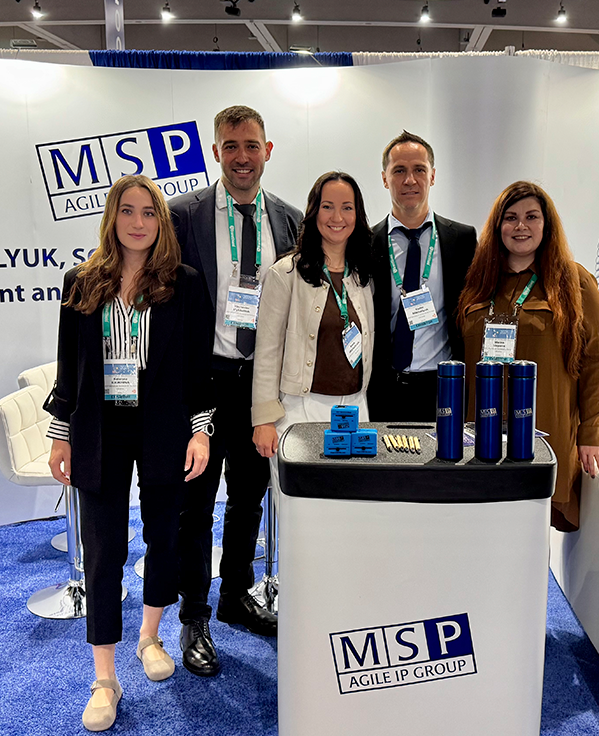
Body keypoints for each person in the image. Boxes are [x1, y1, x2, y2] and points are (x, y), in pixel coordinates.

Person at [44, 174, 214, 731]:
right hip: (100, 428)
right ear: (111, 218)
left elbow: (197, 370)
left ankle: (150, 637)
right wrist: (61, 434)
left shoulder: (183, 283)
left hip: (164, 425)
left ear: (161, 221)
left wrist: (200, 431)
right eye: (127, 211)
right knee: (103, 549)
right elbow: (69, 368)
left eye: (148, 212)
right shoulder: (80, 282)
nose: (138, 222)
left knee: (164, 536)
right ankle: (105, 678)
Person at [167, 105, 302, 676]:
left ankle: (235, 595)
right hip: (202, 382)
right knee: (195, 505)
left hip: (260, 386)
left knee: (249, 497)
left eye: (251, 146)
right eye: (230, 146)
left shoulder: (291, 221)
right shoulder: (182, 215)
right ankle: (193, 615)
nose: (242, 157)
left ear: (267, 150)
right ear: (215, 151)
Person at [458, 181, 599, 532]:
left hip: (545, 430)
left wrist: (590, 432)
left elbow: (596, 357)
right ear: (498, 227)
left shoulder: (575, 282)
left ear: (546, 224)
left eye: (531, 217)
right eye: (510, 217)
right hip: (482, 433)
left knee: (532, 533)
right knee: (484, 529)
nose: (521, 226)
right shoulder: (479, 281)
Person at [252, 171, 376, 459]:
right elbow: (268, 351)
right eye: (327, 206)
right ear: (313, 211)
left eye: (347, 207)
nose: (337, 217)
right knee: (303, 489)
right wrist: (263, 419)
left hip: (355, 409)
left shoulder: (362, 278)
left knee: (350, 488)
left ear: (357, 215)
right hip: (299, 411)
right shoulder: (285, 274)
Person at [368, 131, 478, 422]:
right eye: (399, 171)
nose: (409, 180)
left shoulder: (462, 240)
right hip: (384, 389)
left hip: (444, 389)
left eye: (419, 169)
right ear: (384, 179)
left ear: (432, 176)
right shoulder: (366, 243)